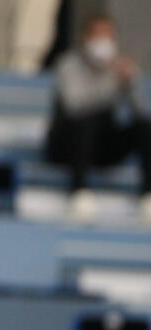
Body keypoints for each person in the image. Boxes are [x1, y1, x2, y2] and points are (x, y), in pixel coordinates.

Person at [44, 13, 151, 222]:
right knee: (87, 122)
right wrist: (111, 84)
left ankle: (148, 194)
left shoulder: (121, 67)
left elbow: (139, 111)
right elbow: (75, 106)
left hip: (103, 147)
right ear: (84, 38)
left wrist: (129, 83)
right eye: (97, 35)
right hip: (68, 144)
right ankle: (79, 192)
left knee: (144, 127)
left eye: (107, 36)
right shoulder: (68, 65)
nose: (102, 41)